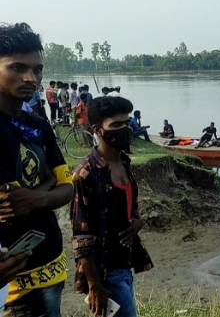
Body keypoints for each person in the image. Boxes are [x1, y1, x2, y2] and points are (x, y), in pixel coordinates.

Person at [0, 22, 74, 317]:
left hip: (52, 262)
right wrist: (46, 187)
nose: (31, 78)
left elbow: (68, 186)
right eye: (17, 68)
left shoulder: (38, 124)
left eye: (37, 69)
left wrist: (38, 197)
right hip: (12, 279)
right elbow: (11, 201)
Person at [71, 96, 153, 317]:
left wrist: (138, 222)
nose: (124, 129)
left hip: (125, 262)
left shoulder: (124, 162)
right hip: (105, 271)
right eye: (116, 125)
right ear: (98, 130)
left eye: (126, 123)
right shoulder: (85, 173)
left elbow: (128, 208)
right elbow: (81, 236)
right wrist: (95, 285)